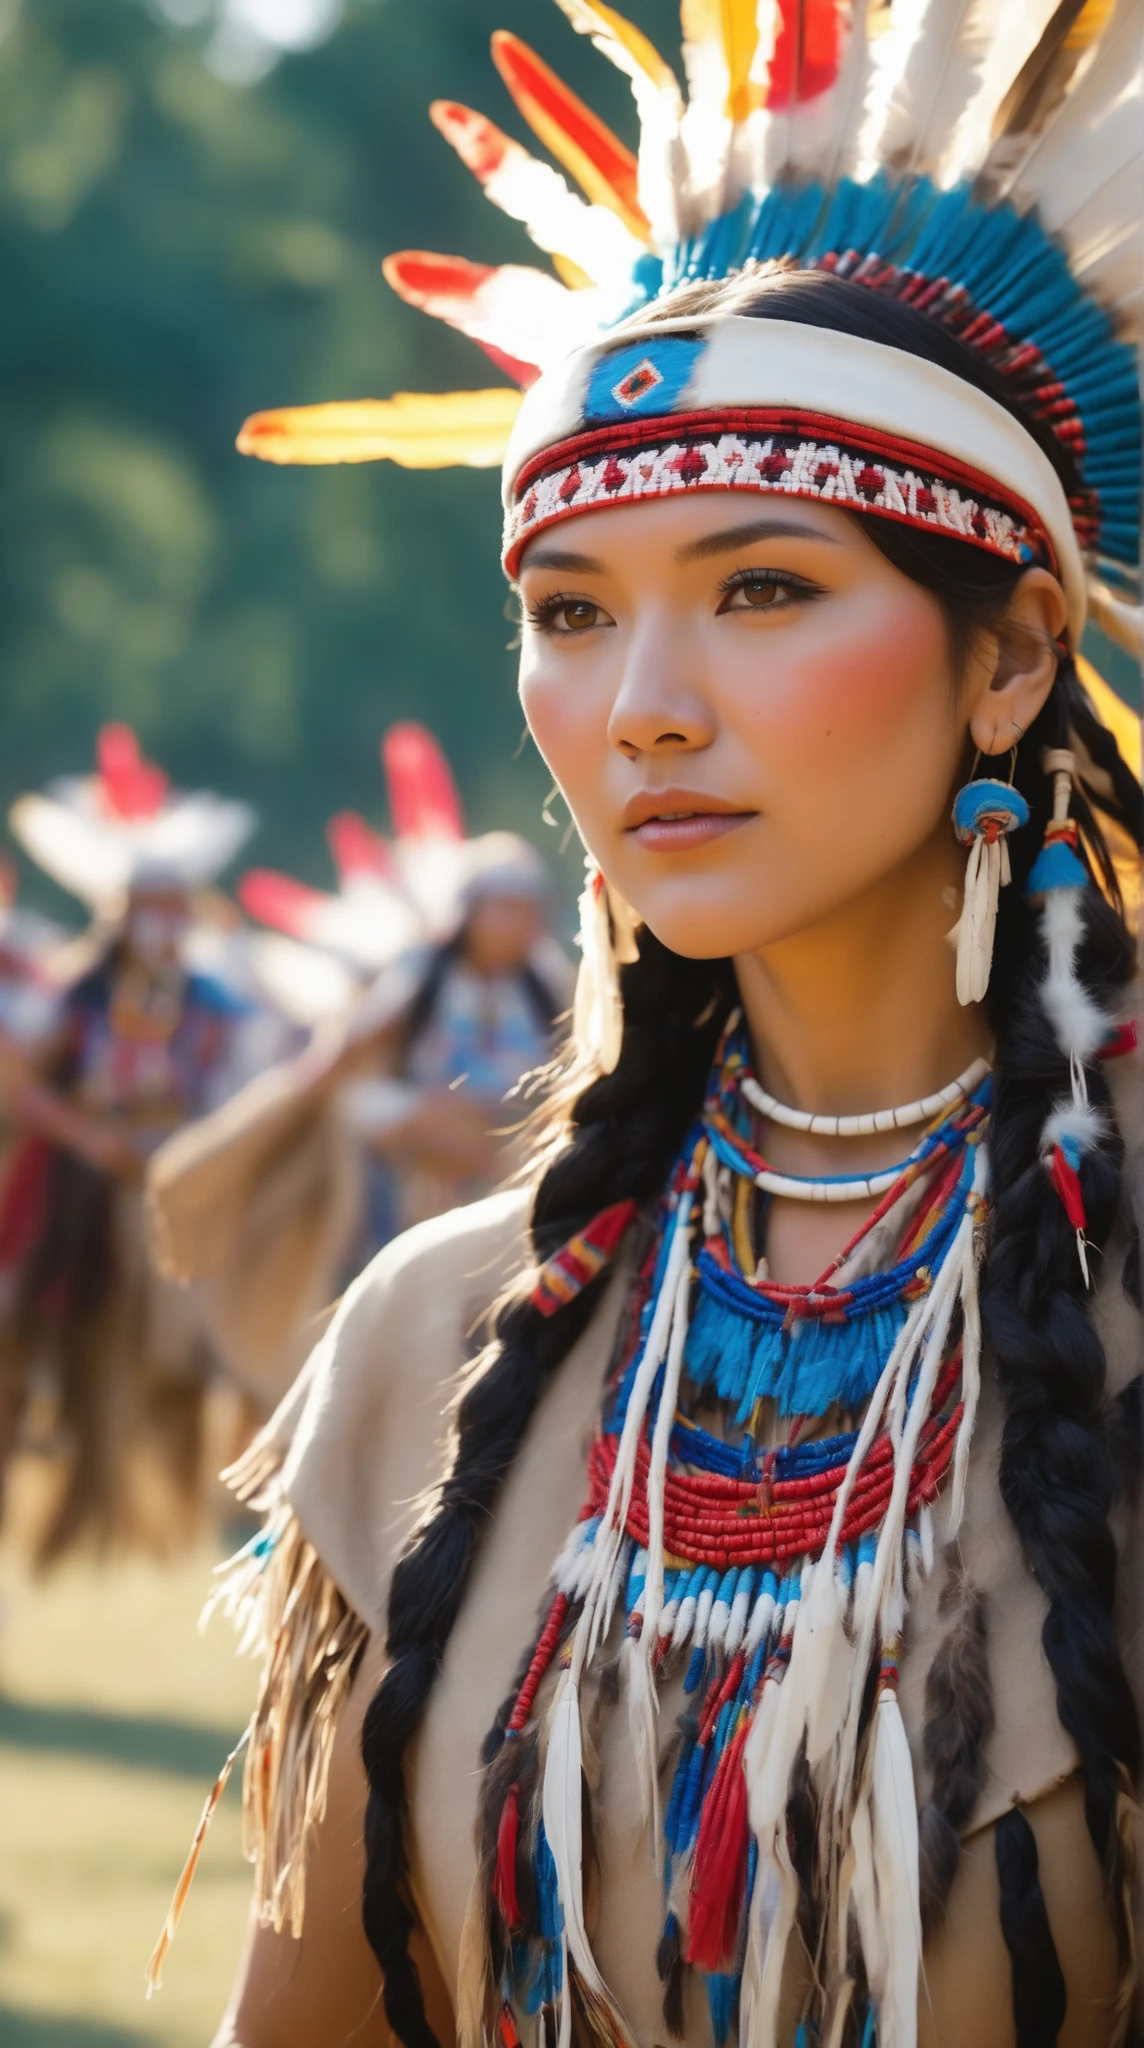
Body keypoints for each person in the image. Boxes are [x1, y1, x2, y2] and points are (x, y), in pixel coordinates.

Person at [154, 6, 1144, 2045]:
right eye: (572, 608)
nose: (641, 708)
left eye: (762, 587)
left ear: (1008, 653)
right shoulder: (442, 1338)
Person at [148, 728, 571, 1413]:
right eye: (505, 908)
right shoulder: (418, 979)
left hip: (505, 1173)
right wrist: (407, 1115)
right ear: (469, 914)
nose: (520, 924)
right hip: (411, 1177)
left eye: (530, 910)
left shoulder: (546, 984)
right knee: (410, 1310)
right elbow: (349, 1069)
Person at [0, 724, 264, 1560]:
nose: (160, 925)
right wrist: (84, 1134)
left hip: (168, 1194)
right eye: (145, 909)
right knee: (24, 1324)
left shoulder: (217, 1002)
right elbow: (21, 1083)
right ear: (121, 914)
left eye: (171, 909)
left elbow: (238, 1085)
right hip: (72, 1190)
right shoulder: (75, 994)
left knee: (184, 1350)